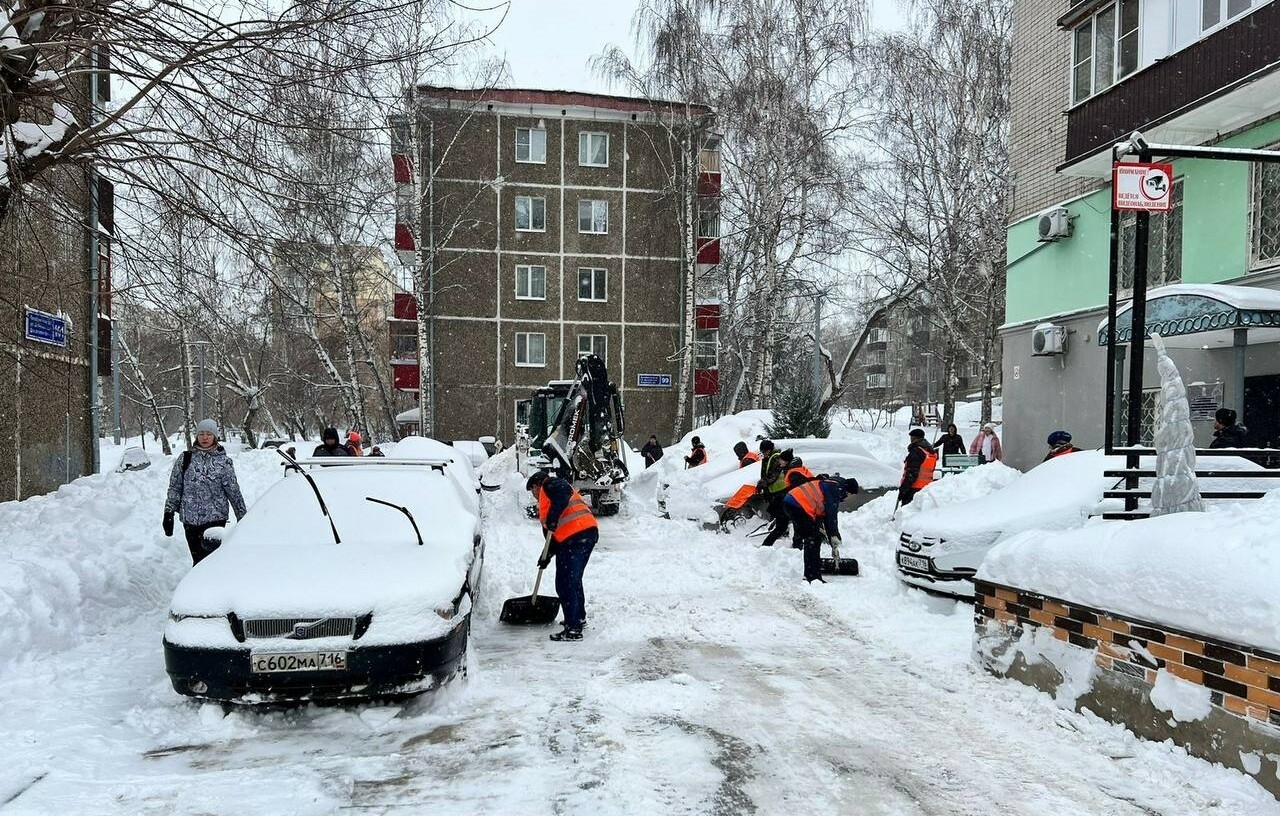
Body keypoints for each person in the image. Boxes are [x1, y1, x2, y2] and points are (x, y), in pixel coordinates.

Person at [163, 419, 248, 565]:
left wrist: (244, 519)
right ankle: (198, 587)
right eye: (201, 434)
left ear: (215, 436)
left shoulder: (224, 462)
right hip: (190, 520)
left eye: (209, 434)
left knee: (210, 562)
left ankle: (212, 586)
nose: (205, 437)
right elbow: (175, 487)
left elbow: (233, 491)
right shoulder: (185, 458)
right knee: (197, 561)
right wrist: (168, 512)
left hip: (215, 520)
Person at [526, 471, 599, 642]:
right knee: (573, 580)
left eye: (532, 491)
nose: (534, 496)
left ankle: (573, 629)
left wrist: (552, 518)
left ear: (537, 485)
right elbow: (553, 540)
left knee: (565, 583)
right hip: (584, 534)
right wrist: (546, 557)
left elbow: (563, 494)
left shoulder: (551, 484)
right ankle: (578, 617)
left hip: (576, 536)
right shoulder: (548, 502)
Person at [783, 475, 859, 583]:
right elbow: (831, 515)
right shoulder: (834, 489)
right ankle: (813, 577)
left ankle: (811, 574)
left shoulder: (830, 485)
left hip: (793, 503)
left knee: (814, 538)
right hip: (797, 505)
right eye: (851, 495)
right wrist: (833, 533)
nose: (849, 498)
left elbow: (823, 517)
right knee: (812, 540)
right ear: (848, 490)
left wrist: (831, 535)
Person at [898, 428, 938, 507]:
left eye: (912, 438)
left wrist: (904, 489)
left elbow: (912, 473)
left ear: (915, 438)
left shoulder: (917, 451)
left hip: (913, 488)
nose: (910, 440)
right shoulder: (929, 452)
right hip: (926, 488)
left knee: (907, 512)